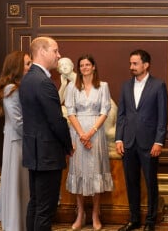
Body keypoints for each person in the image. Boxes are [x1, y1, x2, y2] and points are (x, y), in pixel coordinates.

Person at [19, 36, 74, 231]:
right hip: (47, 154)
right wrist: (68, 146)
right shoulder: (43, 82)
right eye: (55, 51)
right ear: (42, 51)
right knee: (45, 209)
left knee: (35, 204)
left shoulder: (27, 79)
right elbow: (57, 121)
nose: (58, 55)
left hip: (34, 152)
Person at [115, 49, 168, 231]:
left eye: (135, 63)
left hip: (149, 144)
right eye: (130, 63)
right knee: (131, 183)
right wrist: (118, 139)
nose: (132, 67)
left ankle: (150, 222)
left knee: (151, 183)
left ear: (146, 65)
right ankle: (134, 219)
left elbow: (162, 117)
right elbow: (121, 115)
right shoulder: (125, 86)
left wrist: (159, 141)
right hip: (128, 143)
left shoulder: (158, 85)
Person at [65, 54, 113, 231]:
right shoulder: (72, 86)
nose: (84, 67)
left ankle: (95, 214)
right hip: (77, 133)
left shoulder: (103, 86)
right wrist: (81, 135)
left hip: (96, 132)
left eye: (87, 64)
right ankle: (80, 214)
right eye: (81, 65)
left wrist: (90, 132)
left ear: (94, 67)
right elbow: (70, 111)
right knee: (79, 172)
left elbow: (105, 111)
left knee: (95, 172)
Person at [0, 51, 32, 231]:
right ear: (16, 66)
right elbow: (18, 122)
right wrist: (34, 138)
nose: (29, 67)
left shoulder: (20, 87)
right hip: (17, 142)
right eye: (26, 63)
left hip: (19, 140)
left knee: (22, 185)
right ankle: (16, 225)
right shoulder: (11, 89)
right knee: (17, 183)